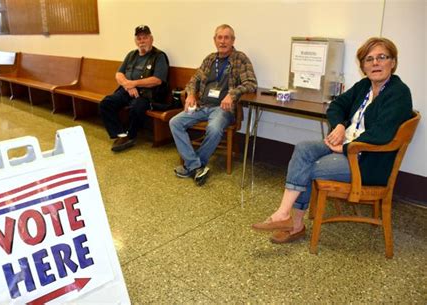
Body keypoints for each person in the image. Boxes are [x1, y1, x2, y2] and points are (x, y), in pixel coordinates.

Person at [252, 37, 412, 244]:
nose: (375, 63)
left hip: (367, 161)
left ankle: (294, 224)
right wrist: (339, 125)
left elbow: (382, 134)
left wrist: (345, 147)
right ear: (363, 66)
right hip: (348, 146)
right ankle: (285, 215)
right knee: (303, 149)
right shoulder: (364, 86)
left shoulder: (399, 93)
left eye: (382, 57)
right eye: (369, 59)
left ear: (393, 62)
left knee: (308, 168)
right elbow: (337, 106)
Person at [169, 24, 257, 186]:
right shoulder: (210, 59)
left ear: (233, 40)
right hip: (202, 106)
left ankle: (194, 165)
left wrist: (232, 94)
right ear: (214, 40)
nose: (223, 41)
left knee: (214, 128)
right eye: (219, 37)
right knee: (175, 122)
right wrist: (190, 94)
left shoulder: (240, 59)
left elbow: (251, 84)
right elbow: (194, 80)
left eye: (227, 37)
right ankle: (196, 166)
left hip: (223, 109)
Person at [100, 25, 169, 152]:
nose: (142, 41)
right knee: (106, 103)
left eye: (145, 37)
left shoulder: (159, 56)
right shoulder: (131, 55)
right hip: (127, 90)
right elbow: (119, 74)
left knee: (136, 107)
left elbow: (157, 80)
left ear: (151, 39)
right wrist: (127, 85)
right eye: (139, 38)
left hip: (147, 95)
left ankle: (131, 135)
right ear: (135, 41)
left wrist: (134, 83)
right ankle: (120, 134)